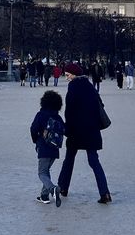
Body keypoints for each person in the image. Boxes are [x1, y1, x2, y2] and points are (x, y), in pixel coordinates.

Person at [57, 63, 112, 204]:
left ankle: (62, 187)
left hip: (76, 131)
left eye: (68, 75)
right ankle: (105, 193)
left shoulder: (73, 87)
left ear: (74, 75)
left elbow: (69, 112)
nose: (67, 77)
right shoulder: (90, 87)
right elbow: (100, 106)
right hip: (91, 130)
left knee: (69, 159)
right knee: (94, 161)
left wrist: (67, 130)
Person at [30, 89, 65, 206]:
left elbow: (33, 129)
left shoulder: (40, 115)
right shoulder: (58, 117)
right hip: (54, 148)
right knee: (46, 171)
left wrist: (36, 140)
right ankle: (44, 196)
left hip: (43, 147)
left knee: (42, 173)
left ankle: (52, 189)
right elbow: (64, 130)